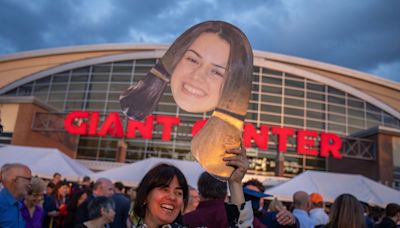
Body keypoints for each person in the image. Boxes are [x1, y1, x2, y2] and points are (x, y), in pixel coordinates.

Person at [0, 163, 32, 228]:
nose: (30, 184)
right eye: (29, 179)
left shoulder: (18, 203)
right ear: (15, 180)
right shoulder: (2, 204)